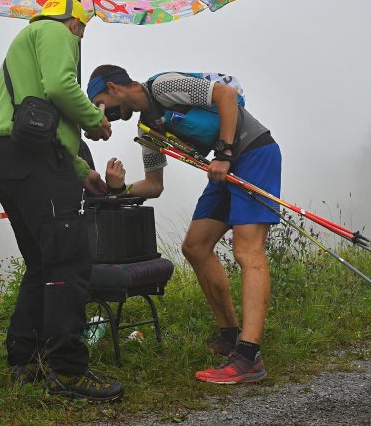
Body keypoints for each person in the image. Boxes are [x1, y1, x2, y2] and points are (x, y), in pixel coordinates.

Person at [86, 66, 281, 384]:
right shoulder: (148, 130)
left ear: (114, 87)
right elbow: (154, 185)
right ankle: (231, 335)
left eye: (99, 102)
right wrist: (118, 189)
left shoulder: (162, 86)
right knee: (195, 247)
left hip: (253, 151)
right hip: (224, 168)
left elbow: (226, 95)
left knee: (247, 250)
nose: (101, 111)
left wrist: (225, 152)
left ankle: (249, 357)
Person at [0, 0, 123, 401]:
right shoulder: (58, 31)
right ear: (75, 23)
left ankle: (24, 360)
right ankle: (68, 372)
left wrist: (82, 173)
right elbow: (59, 87)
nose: (79, 37)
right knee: (69, 261)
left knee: (42, 262)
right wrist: (96, 121)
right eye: (83, 29)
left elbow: (42, 124)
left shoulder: (26, 38)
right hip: (34, 161)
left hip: (7, 159)